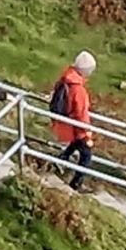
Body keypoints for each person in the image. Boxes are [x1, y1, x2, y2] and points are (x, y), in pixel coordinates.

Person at [49, 48, 97, 178]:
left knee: (75, 143)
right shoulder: (78, 90)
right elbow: (81, 114)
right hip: (74, 124)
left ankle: (61, 159)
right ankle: (75, 184)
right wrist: (87, 135)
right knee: (86, 156)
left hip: (66, 120)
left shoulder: (66, 79)